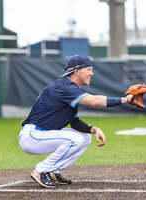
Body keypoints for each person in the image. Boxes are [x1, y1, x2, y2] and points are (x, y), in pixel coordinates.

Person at [18, 55, 133, 188]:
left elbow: (74, 122)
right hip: (33, 136)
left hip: (43, 134)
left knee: (84, 138)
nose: (92, 73)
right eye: (89, 69)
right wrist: (126, 99)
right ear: (77, 71)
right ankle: (41, 171)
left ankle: (54, 172)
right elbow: (95, 101)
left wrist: (94, 129)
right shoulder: (64, 87)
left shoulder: (69, 88)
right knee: (74, 139)